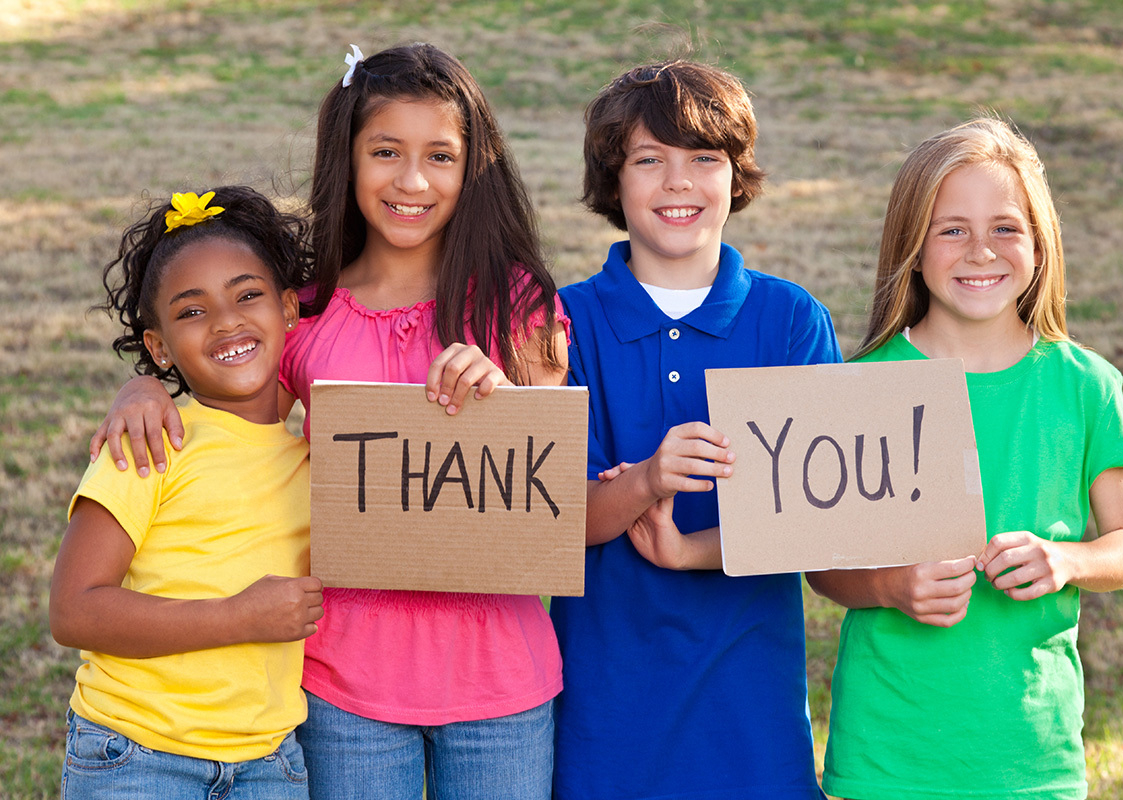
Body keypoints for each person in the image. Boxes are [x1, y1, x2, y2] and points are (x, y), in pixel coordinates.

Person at [86, 43, 568, 800]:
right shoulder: (305, 314)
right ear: (347, 157)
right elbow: (231, 408)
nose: (412, 181)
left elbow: (553, 493)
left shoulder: (516, 305)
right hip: (346, 681)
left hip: (499, 676)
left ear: (475, 166)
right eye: (386, 152)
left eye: (440, 155)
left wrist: (505, 399)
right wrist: (143, 388)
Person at [809, 117, 1123, 800]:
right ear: (913, 245)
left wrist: (1067, 561)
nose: (981, 252)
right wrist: (890, 587)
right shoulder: (866, 383)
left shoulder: (1085, 385)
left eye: (1005, 228)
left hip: (1030, 755)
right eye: (952, 229)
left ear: (1039, 243)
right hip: (890, 751)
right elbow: (824, 568)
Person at [550, 60, 840, 800]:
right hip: (606, 703)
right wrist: (648, 478)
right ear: (613, 181)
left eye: (703, 159)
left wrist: (690, 552)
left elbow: (819, 523)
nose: (678, 183)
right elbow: (555, 521)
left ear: (735, 176)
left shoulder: (791, 320)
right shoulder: (564, 322)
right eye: (649, 160)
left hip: (751, 705)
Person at [50, 186, 321, 798]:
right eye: (192, 311)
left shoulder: (318, 464)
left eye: (248, 295)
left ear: (288, 310)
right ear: (159, 348)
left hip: (269, 762)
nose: (227, 322)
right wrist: (235, 617)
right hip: (137, 753)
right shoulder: (149, 441)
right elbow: (74, 610)